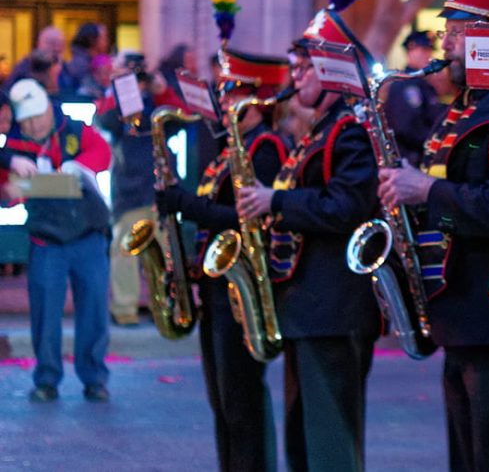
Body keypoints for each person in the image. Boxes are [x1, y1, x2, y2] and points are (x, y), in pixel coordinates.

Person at [376, 0, 489, 469]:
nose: (444, 43)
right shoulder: (462, 109)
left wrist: (426, 189)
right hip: (460, 316)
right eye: (444, 32)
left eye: (455, 30)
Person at [234, 4, 380, 471]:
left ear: (331, 70)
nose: (294, 79)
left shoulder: (351, 129)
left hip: (334, 305)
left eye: (303, 68)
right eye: (294, 68)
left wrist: (273, 203)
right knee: (303, 438)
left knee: (329, 441)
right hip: (309, 305)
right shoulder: (320, 129)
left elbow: (346, 207)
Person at [154, 41, 291, 471]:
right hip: (217, 281)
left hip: (242, 284)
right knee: (223, 401)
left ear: (257, 98)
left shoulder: (265, 145)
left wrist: (185, 205)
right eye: (224, 90)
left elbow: (246, 218)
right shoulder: (231, 146)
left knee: (241, 400)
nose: (223, 99)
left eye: (232, 91)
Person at [6, 79, 113, 403]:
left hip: (88, 235)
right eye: (26, 121)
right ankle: (47, 379)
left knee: (94, 310)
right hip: (45, 240)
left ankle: (94, 377)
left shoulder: (75, 130)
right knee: (45, 315)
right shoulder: (13, 144)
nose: (33, 125)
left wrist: (76, 167)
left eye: (37, 117)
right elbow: (8, 188)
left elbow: (103, 152)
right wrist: (9, 180)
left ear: (49, 111)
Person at [95, 52, 186, 326]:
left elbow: (182, 119)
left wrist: (161, 90)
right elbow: (105, 120)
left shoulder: (155, 101)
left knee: (166, 252)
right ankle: (125, 309)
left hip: (160, 189)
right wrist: (122, 86)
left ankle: (170, 308)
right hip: (130, 189)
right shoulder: (117, 101)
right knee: (124, 250)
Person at [382, 30, 445, 164]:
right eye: (422, 50)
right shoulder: (404, 84)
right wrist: (434, 144)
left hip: (421, 157)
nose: (427, 55)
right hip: (410, 159)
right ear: (410, 51)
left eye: (429, 50)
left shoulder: (424, 84)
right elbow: (406, 127)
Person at [3, 26, 65, 92]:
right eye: (51, 43)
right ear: (39, 44)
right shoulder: (24, 68)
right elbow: (7, 93)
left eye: (60, 44)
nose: (56, 48)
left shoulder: (65, 69)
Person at [59, 23, 108, 100]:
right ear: (92, 40)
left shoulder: (92, 60)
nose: (106, 43)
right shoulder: (81, 65)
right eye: (103, 38)